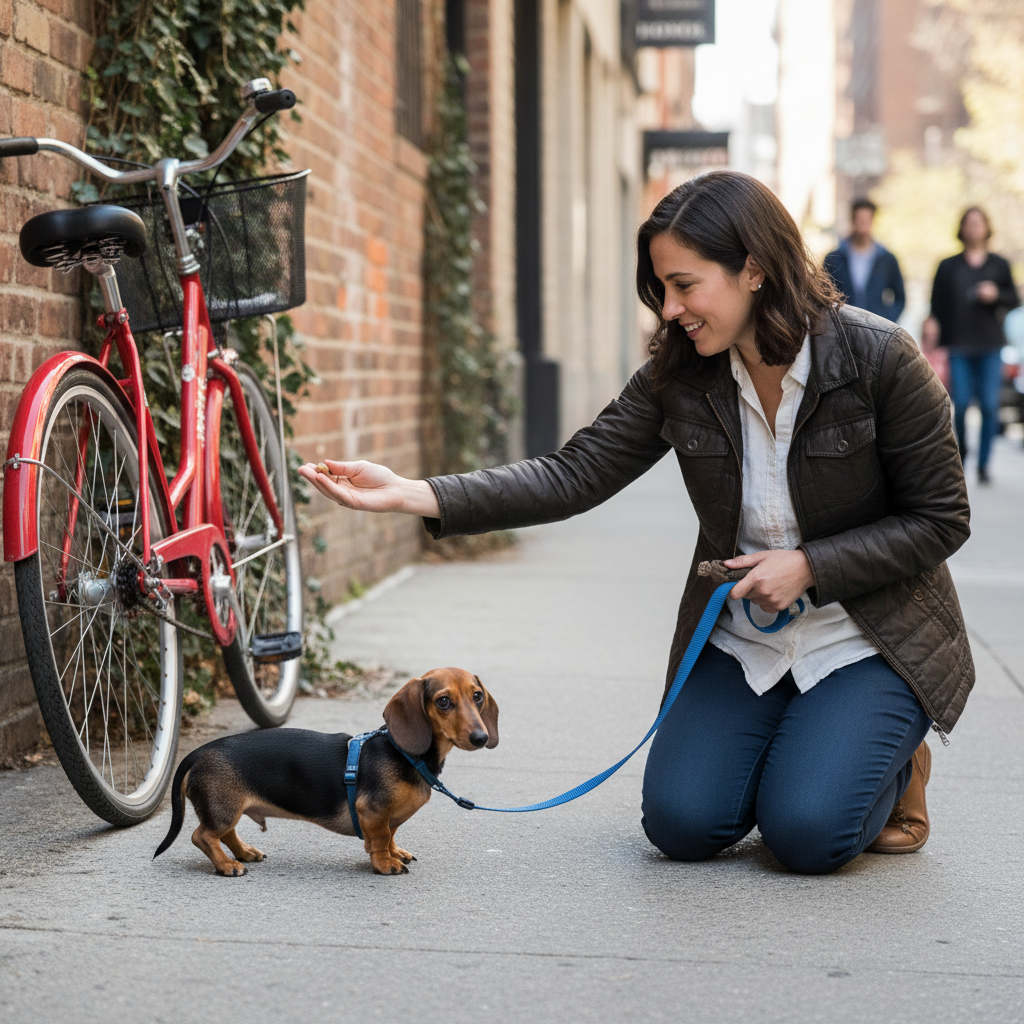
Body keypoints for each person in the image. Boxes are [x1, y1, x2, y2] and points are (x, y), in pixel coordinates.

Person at [299, 171, 974, 876]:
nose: (671, 309)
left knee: (806, 835)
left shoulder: (880, 359)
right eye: (661, 290)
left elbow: (940, 518)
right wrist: (416, 493)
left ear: (754, 269)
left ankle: (893, 766)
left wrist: (811, 566)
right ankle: (804, 748)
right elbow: (575, 472)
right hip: (746, 642)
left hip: (864, 637)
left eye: (686, 285)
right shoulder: (681, 373)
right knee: (683, 825)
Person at [925, 207, 1019, 484]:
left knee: (990, 405)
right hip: (958, 344)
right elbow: (936, 304)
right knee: (962, 404)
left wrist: (996, 294)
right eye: (969, 223)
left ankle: (985, 463)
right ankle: (963, 453)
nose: (974, 228)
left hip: (990, 344)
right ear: (962, 228)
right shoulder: (948, 265)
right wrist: (931, 326)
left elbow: (1013, 298)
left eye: (979, 223)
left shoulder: (999, 264)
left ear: (987, 228)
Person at [824, 198, 906, 322]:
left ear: (873, 221)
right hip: (844, 327)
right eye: (859, 220)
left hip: (875, 328)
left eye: (866, 220)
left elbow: (900, 298)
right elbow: (824, 294)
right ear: (852, 221)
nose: (862, 225)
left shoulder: (886, 259)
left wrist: (887, 319)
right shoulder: (834, 258)